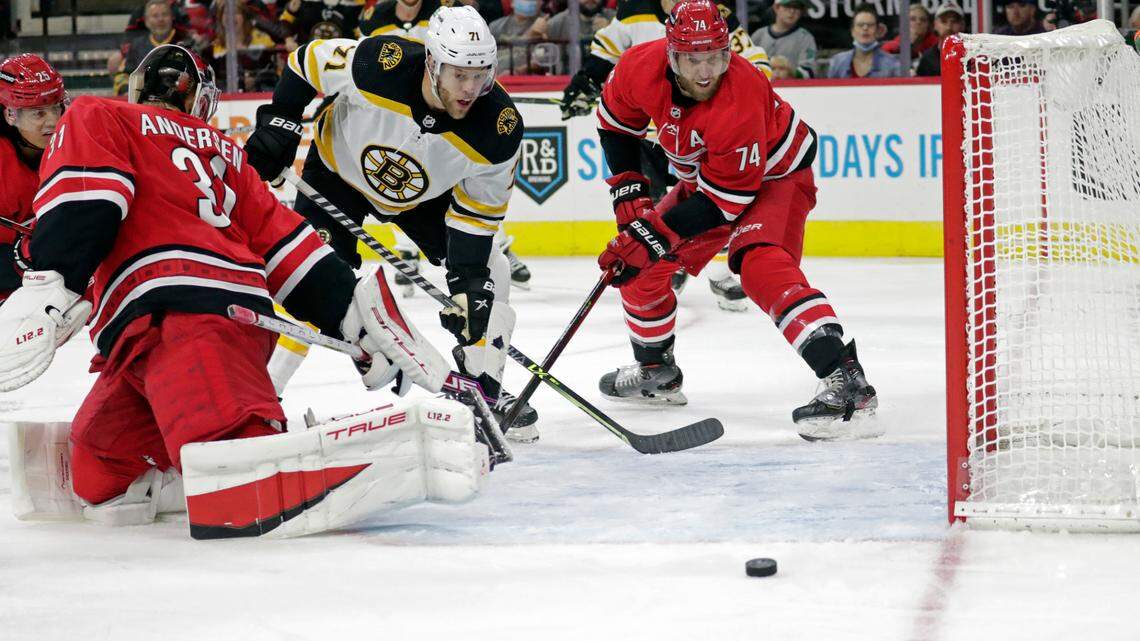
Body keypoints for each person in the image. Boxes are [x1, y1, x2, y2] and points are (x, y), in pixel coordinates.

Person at [0, 44, 480, 538]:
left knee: (235, 475)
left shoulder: (99, 114)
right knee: (99, 470)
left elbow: (91, 199)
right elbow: (291, 252)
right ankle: (183, 464)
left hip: (192, 321)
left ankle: (369, 452)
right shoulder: (226, 150)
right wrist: (353, 319)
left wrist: (49, 284)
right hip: (167, 332)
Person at [243, 5, 539, 441]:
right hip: (336, 176)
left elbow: (477, 214)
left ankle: (483, 391)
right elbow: (306, 62)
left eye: (481, 75)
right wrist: (282, 120)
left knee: (491, 270)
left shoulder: (497, 128)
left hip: (422, 199)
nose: (472, 88)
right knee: (313, 277)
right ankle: (263, 397)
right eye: (460, 74)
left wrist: (469, 280)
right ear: (434, 62)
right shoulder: (380, 63)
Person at [593, 0, 880, 440]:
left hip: (775, 177)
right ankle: (656, 371)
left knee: (758, 262)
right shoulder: (638, 66)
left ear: (728, 52)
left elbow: (726, 202)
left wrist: (651, 233)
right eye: (693, 59)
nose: (706, 71)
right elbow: (616, 124)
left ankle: (846, 381)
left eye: (715, 57)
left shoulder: (741, 93)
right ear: (671, 55)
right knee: (638, 268)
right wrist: (628, 192)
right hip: (709, 181)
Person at [561, 0, 770, 310]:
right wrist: (587, 83)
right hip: (653, 133)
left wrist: (728, 109)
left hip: (704, 136)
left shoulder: (713, 15)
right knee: (656, 204)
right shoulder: (634, 10)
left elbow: (757, 65)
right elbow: (605, 52)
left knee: (714, 201)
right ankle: (667, 265)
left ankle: (719, 272)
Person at [358, 0, 533, 293]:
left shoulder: (444, 11)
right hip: (406, 111)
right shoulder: (374, 17)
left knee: (476, 190)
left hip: (451, 112)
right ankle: (409, 254)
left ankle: (496, 250)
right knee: (402, 179)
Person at [0, 55, 66, 304]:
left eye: (57, 107)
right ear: (10, 115)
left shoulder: (72, 147)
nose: (53, 121)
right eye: (38, 113)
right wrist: (25, 263)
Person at [109, 0, 192, 95]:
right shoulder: (137, 45)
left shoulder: (186, 45)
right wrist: (126, 91)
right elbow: (123, 75)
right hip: (143, 101)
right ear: (146, 21)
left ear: (172, 18)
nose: (160, 19)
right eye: (155, 16)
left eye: (165, 14)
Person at [204, 0, 281, 92]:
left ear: (244, 17)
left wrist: (256, 81)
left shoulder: (263, 41)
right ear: (220, 18)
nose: (231, 17)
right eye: (226, 13)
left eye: (236, 13)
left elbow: (273, 75)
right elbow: (210, 84)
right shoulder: (212, 49)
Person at [826, 4, 902, 79]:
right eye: (860, 25)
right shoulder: (838, 62)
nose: (865, 28)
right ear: (852, 31)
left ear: (877, 30)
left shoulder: (892, 64)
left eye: (870, 25)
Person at [750, 0, 817, 79]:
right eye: (788, 6)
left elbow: (809, 73)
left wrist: (791, 70)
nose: (792, 11)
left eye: (797, 7)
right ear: (776, 8)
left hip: (791, 88)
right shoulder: (759, 34)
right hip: (761, 86)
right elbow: (745, 65)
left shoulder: (805, 38)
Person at [916, 1, 964, 77]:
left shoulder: (971, 57)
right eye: (944, 21)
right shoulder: (927, 59)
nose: (949, 27)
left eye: (954, 21)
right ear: (935, 25)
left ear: (962, 25)